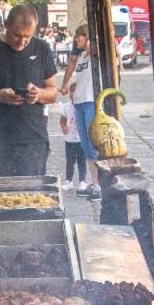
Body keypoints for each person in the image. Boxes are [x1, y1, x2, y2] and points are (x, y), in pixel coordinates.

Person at [0, 4, 59, 176]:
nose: (21, 42)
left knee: (33, 198)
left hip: (33, 140)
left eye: (27, 37)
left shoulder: (42, 48)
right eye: (17, 35)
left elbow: (53, 92)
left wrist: (39, 94)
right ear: (6, 24)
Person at [59, 24, 101, 197]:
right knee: (86, 146)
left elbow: (97, 47)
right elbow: (70, 64)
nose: (76, 39)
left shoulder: (93, 54)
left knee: (93, 144)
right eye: (76, 36)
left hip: (91, 101)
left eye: (80, 36)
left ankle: (99, 184)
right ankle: (94, 182)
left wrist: (90, 39)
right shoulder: (81, 56)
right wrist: (64, 84)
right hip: (79, 102)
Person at [55, 86, 88, 194]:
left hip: (82, 139)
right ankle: (68, 180)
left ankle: (82, 180)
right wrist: (64, 128)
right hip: (69, 139)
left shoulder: (83, 107)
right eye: (71, 92)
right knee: (70, 160)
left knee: (82, 161)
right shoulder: (66, 107)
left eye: (75, 92)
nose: (73, 95)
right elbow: (63, 119)